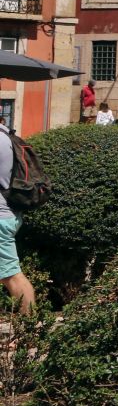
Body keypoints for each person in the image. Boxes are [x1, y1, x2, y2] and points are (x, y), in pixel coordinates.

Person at [0, 117, 36, 315]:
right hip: (8, 213)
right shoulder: (5, 134)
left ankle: (30, 326)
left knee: (11, 275)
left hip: (0, 217)